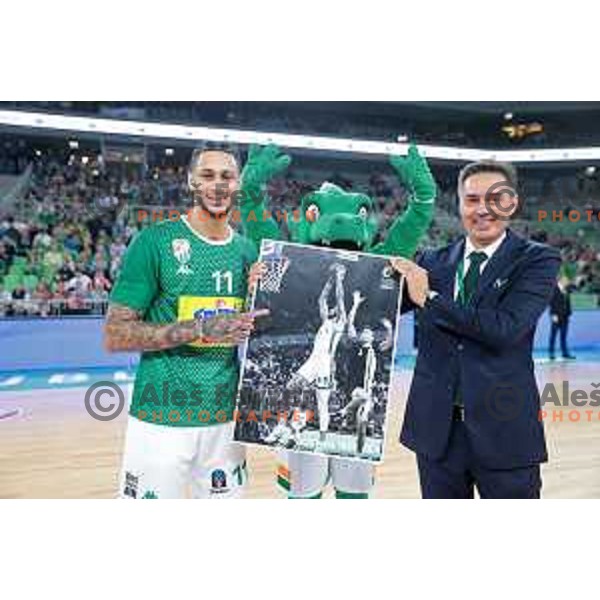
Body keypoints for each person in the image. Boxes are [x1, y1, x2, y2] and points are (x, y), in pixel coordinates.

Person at [105, 142, 267, 500]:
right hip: (160, 417)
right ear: (191, 181)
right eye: (208, 175)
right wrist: (199, 328)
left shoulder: (248, 253)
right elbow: (115, 334)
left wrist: (266, 294)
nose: (219, 185)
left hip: (225, 419)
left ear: (238, 185)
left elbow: (260, 333)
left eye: (227, 176)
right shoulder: (154, 242)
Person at [392, 160, 561, 499]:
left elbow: (505, 329)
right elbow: (370, 303)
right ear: (459, 204)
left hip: (505, 434)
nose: (482, 209)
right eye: (472, 200)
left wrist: (430, 298)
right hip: (436, 435)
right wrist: (278, 273)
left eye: (495, 199)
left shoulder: (537, 260)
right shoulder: (431, 261)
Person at [549, 275, 576, 360]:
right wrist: (553, 314)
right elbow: (551, 302)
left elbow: (574, 289)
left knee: (563, 336)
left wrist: (569, 313)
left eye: (567, 281)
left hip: (565, 316)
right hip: (556, 316)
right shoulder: (554, 289)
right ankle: (551, 353)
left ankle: (565, 353)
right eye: (565, 280)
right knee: (553, 335)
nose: (567, 282)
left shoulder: (567, 289)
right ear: (560, 281)